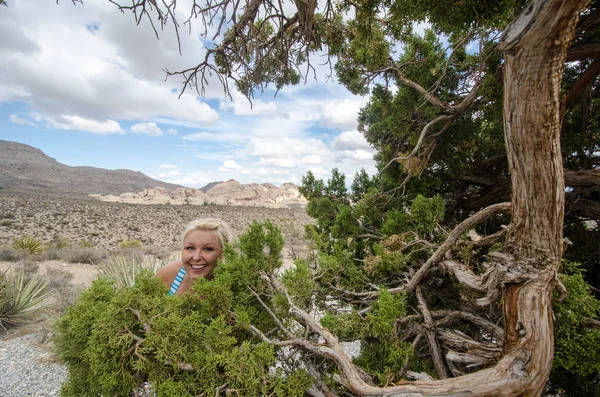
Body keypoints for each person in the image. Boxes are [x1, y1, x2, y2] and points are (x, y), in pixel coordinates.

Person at [156, 218, 233, 296]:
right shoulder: (169, 274)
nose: (196, 257)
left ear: (225, 251)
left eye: (207, 249)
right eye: (190, 248)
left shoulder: (235, 286)